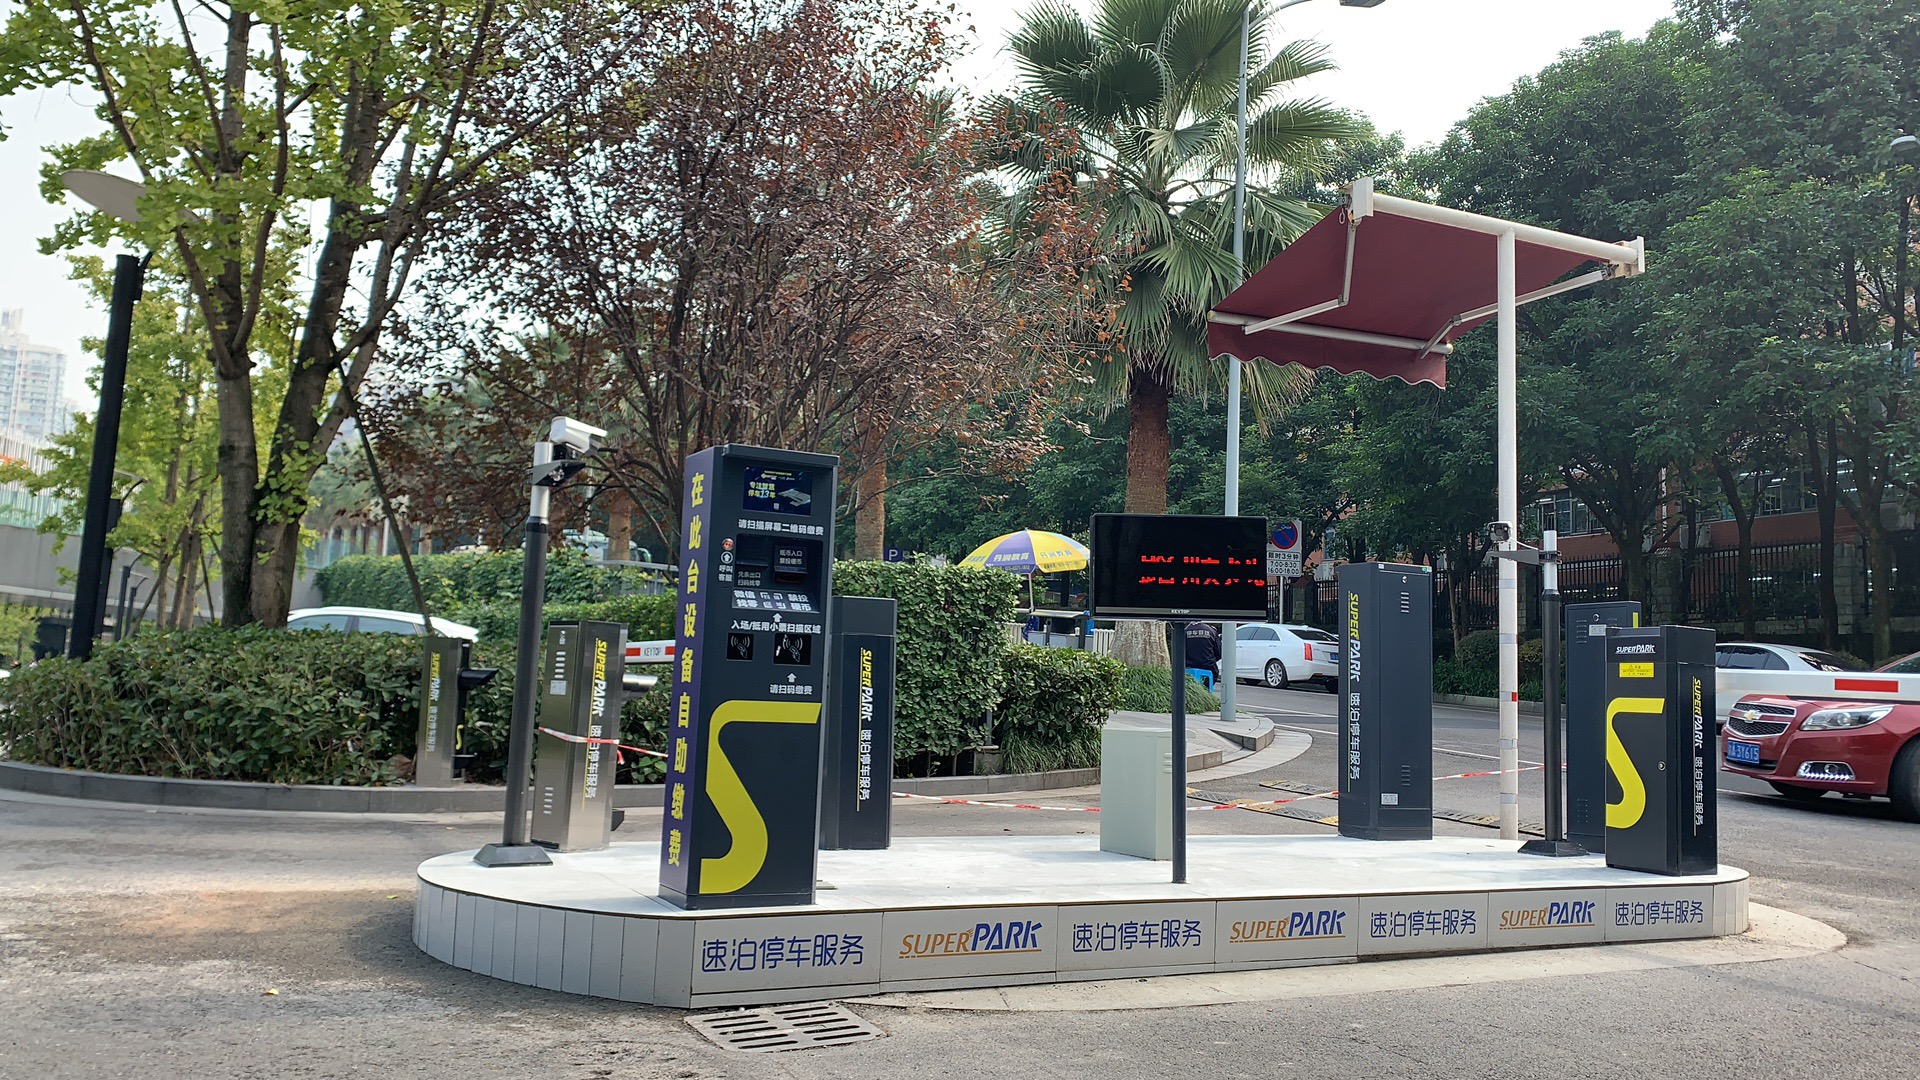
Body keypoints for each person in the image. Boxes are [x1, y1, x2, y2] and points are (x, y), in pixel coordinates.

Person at [1184, 621, 1221, 688]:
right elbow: (1219, 652)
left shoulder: (1184, 630)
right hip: (1208, 667)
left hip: (1188, 667)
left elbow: (1179, 651)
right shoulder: (1211, 630)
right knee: (1213, 677)